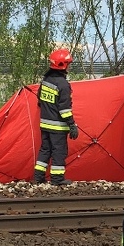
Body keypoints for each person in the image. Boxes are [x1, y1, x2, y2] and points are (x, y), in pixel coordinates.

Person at [34, 48, 79, 186]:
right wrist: (72, 124)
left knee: (45, 150)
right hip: (57, 126)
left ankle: (37, 177)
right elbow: (65, 109)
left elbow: (40, 101)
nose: (69, 67)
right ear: (62, 65)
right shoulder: (63, 85)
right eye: (68, 64)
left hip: (44, 124)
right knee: (59, 152)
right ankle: (57, 179)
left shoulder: (46, 81)